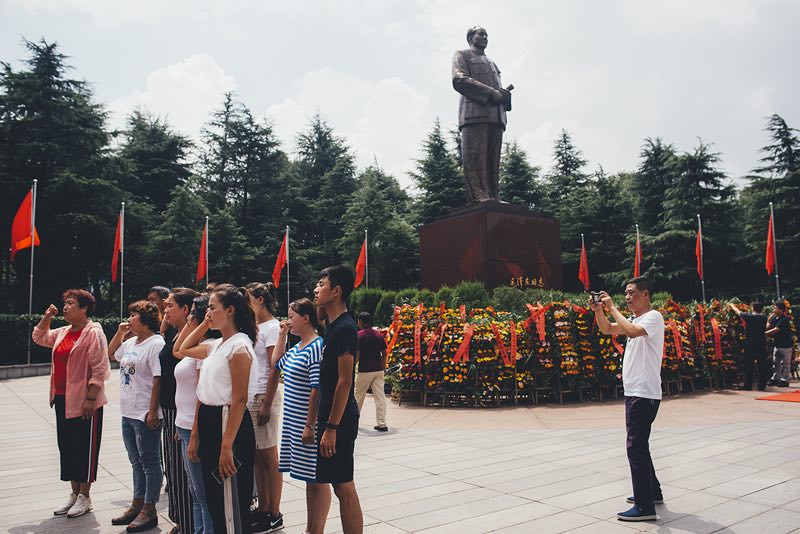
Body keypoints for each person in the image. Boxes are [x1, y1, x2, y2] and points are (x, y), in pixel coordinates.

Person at [182, 284, 259, 533]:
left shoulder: (239, 346)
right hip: (210, 418)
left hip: (228, 421)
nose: (208, 312)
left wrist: (227, 445)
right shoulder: (216, 344)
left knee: (231, 499)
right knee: (216, 498)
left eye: (213, 308)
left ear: (230, 311)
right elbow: (181, 349)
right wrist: (204, 324)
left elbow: (238, 399)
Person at [32, 289, 110, 519]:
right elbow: (38, 337)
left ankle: (86, 496)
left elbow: (100, 368)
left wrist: (91, 398)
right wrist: (47, 316)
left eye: (70, 303)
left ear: (84, 308)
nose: (65, 307)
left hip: (86, 401)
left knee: (84, 448)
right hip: (63, 399)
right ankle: (74, 494)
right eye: (64, 303)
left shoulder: (93, 333)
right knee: (67, 446)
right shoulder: (63, 332)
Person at [592, 277, 664, 522]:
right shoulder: (634, 319)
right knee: (640, 444)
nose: (628, 297)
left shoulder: (653, 317)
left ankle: (645, 507)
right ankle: (652, 492)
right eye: (625, 293)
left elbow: (632, 332)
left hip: (644, 392)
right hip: (636, 391)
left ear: (646, 295)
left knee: (635, 446)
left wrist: (612, 308)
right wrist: (599, 311)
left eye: (632, 293)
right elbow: (607, 329)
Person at [268, 298, 329, 534]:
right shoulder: (298, 346)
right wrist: (282, 335)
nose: (288, 320)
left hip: (306, 422)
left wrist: (310, 425)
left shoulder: (316, 346)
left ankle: (317, 529)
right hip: (294, 422)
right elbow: (276, 364)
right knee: (307, 478)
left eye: (292, 317)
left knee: (317, 478)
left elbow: (316, 389)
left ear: (306, 318)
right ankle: (310, 528)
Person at [313, 265, 364, 534]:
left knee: (344, 485)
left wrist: (331, 428)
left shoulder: (344, 327)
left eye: (321, 284)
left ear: (337, 290)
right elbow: (318, 313)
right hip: (330, 416)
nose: (316, 289)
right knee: (338, 484)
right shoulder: (333, 324)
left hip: (339, 419)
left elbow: (345, 381)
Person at [108, 300, 166, 532]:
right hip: (128, 411)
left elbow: (158, 378)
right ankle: (137, 502)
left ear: (146, 319)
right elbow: (111, 353)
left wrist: (152, 411)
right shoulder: (132, 341)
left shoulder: (156, 343)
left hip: (144, 413)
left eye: (134, 315)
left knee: (150, 461)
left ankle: (149, 509)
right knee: (136, 461)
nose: (129, 319)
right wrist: (120, 332)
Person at [452, 25, 511, 203]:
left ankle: (494, 193)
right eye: (481, 34)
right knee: (475, 158)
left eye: (487, 35)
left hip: (496, 117)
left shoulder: (492, 63)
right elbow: (459, 79)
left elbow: (499, 94)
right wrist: (492, 93)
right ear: (471, 37)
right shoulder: (462, 55)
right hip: (474, 114)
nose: (485, 37)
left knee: (493, 160)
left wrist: (505, 96)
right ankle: (478, 195)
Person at [173, 295, 216, 534]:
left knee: (202, 494)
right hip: (184, 424)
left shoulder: (206, 349)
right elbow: (177, 350)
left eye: (192, 314)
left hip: (194, 427)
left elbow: (201, 394)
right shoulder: (197, 345)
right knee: (195, 491)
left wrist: (196, 433)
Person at [244, 282, 284, 533]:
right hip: (252, 395)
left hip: (263, 396)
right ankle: (263, 508)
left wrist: (268, 402)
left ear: (259, 300)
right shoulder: (254, 326)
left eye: (248, 298)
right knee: (257, 456)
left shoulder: (273, 327)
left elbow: (274, 366)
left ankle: (275, 512)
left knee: (269, 457)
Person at [161, 287, 199, 534]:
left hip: (182, 412)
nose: (165, 310)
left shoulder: (189, 339)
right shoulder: (173, 334)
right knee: (173, 471)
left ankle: (188, 523)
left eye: (170, 306)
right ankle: (180, 519)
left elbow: (178, 352)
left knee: (183, 473)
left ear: (186, 310)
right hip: (170, 409)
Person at [354, 312, 388, 431]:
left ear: (360, 321)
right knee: (380, 397)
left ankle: (353, 421)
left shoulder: (359, 335)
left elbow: (357, 354)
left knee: (358, 396)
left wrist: (354, 366)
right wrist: (383, 367)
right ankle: (382, 423)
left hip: (365, 370)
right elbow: (384, 353)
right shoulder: (378, 334)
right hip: (378, 370)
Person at [729, 302, 769, 391]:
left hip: (750, 343)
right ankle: (762, 385)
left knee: (749, 364)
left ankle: (748, 385)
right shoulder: (764, 317)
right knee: (762, 364)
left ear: (753, 308)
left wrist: (732, 306)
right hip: (761, 343)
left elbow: (738, 312)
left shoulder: (750, 317)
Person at [766, 301, 794, 387]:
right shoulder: (774, 317)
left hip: (786, 345)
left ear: (781, 310)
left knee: (785, 364)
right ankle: (775, 378)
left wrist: (764, 333)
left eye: (775, 308)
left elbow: (776, 329)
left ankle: (785, 380)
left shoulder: (784, 319)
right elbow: (768, 326)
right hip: (777, 344)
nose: (774, 309)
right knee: (775, 363)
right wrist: (769, 319)